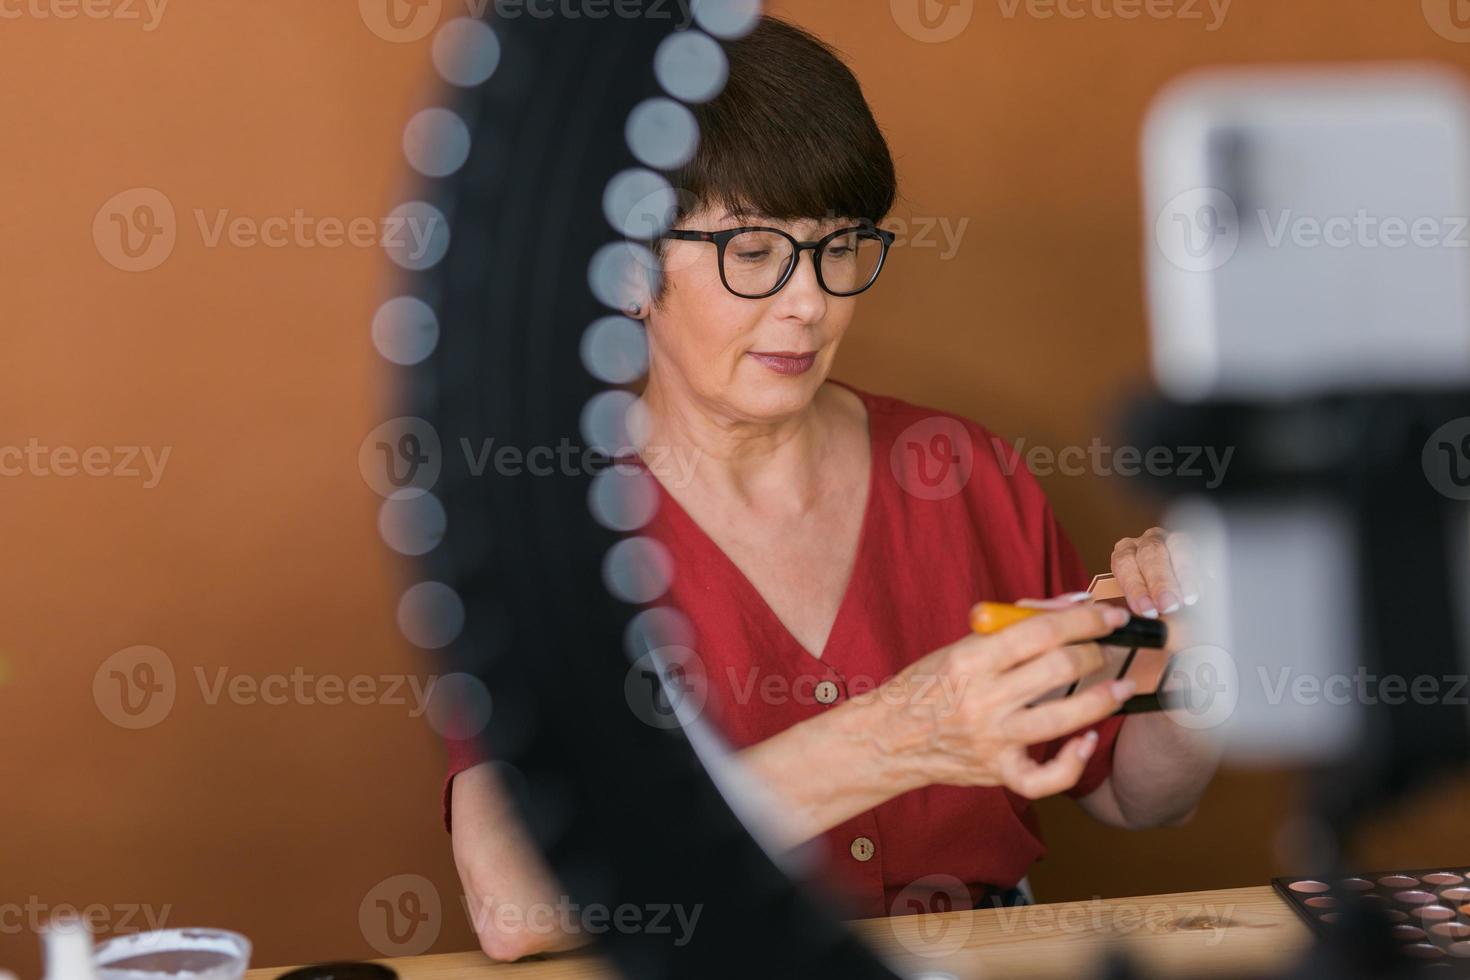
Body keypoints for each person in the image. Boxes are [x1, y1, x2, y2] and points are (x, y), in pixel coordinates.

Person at [445, 16, 1219, 961]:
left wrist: (1201, 657)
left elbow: (1138, 794)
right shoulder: (544, 518)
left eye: (840, 246)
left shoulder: (964, 471)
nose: (811, 300)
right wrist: (899, 735)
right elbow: (515, 902)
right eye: (754, 253)